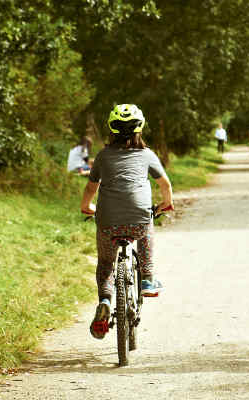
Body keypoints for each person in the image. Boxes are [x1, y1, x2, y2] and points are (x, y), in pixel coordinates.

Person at [80, 104, 175, 339]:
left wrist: (86, 208)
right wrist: (166, 203)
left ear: (111, 130)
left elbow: (91, 187)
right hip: (138, 218)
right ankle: (148, 279)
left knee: (105, 264)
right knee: (146, 223)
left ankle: (104, 300)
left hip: (107, 219)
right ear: (139, 129)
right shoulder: (147, 155)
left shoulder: (102, 157)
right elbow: (165, 185)